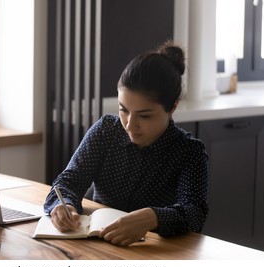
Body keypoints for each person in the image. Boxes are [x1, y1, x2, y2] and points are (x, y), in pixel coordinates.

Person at [44, 40, 209, 246]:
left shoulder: (188, 151)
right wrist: (63, 205)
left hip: (154, 255)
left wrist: (152, 217)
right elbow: (68, 181)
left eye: (145, 116)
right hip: (98, 247)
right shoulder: (106, 130)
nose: (130, 125)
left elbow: (195, 213)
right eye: (123, 109)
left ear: (173, 106)